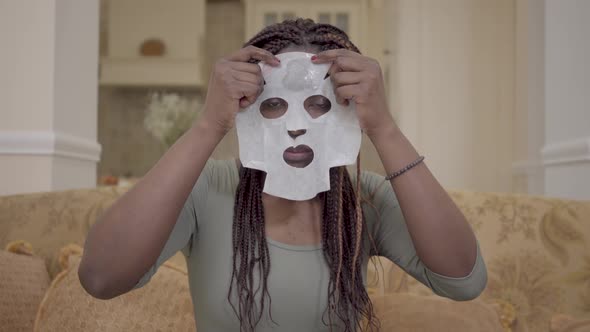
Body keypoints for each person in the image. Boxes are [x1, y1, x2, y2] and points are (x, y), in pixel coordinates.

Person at [79, 19, 487, 332]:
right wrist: (208, 125)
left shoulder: (364, 201)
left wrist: (385, 129)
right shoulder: (209, 190)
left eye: (318, 105)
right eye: (274, 105)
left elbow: (463, 281)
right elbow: (100, 277)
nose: (296, 125)